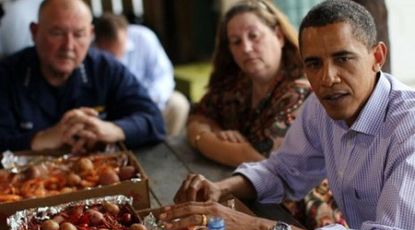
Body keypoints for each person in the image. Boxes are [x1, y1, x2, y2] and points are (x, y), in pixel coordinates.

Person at [159, 0, 415, 230]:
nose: (328, 78)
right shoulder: (319, 106)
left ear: (377, 56)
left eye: (343, 58)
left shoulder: (408, 128)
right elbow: (284, 169)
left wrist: (258, 229)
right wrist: (219, 187)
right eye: (314, 63)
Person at [0, 0, 165, 153]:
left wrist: (113, 129)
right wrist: (40, 139)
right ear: (35, 32)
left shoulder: (106, 69)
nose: (68, 46)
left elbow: (154, 120)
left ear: (91, 35)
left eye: (79, 34)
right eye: (57, 33)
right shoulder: (7, 75)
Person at [187, 0, 310, 167]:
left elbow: (260, 157)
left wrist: (201, 138)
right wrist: (218, 133)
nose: (246, 48)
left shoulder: (301, 90)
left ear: (279, 36)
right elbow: (198, 115)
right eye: (236, 41)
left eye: (254, 36)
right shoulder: (238, 83)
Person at [94, 13, 190, 136]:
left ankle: (163, 150)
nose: (116, 58)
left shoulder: (144, 37)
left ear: (126, 32)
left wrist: (146, 103)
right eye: (110, 53)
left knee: (178, 104)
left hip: (148, 102)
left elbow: (163, 76)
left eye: (120, 47)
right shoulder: (90, 50)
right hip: (113, 112)